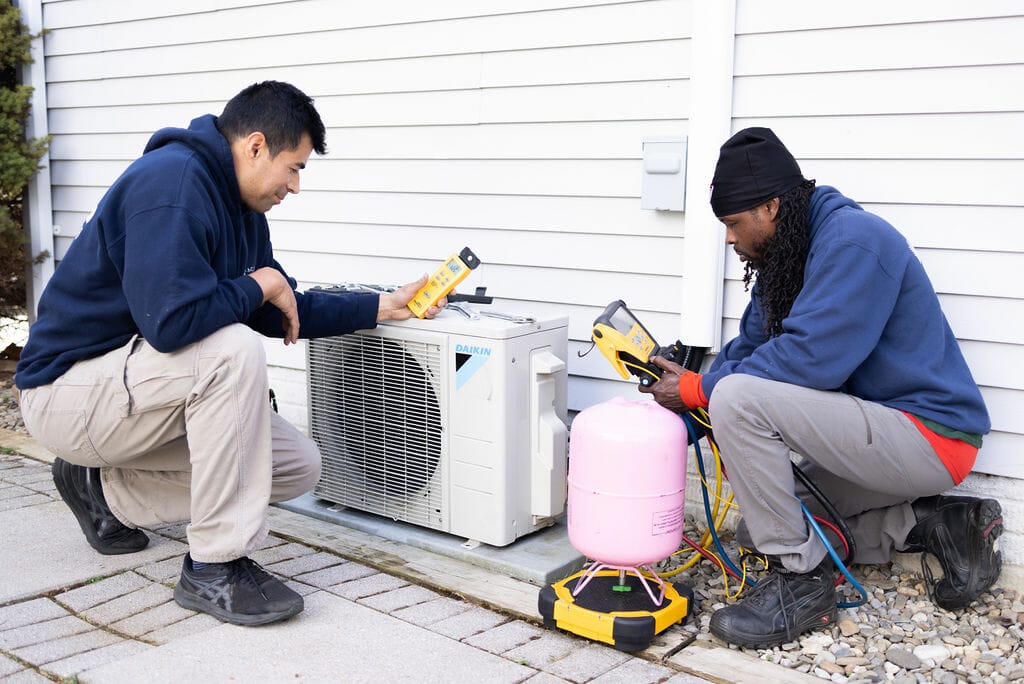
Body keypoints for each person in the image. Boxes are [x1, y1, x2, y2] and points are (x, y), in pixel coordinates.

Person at [15, 81, 446, 627]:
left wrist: (384, 306)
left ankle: (101, 488)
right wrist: (259, 285)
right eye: (294, 168)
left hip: (136, 391)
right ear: (256, 145)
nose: (295, 186)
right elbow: (171, 324)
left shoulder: (243, 209)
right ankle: (214, 567)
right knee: (230, 350)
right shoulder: (169, 185)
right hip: (66, 392)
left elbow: (278, 308)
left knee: (294, 466)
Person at [639, 127, 1002, 648]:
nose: (730, 239)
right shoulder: (787, 255)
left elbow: (811, 362)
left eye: (734, 223)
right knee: (763, 526)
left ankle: (801, 583)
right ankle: (934, 523)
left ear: (770, 207)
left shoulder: (856, 241)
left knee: (737, 399)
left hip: (929, 435)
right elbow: (749, 350)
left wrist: (703, 391)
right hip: (876, 439)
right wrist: (682, 410)